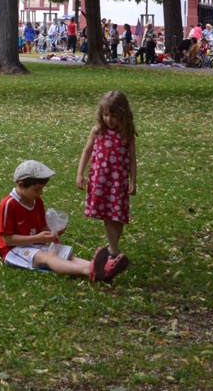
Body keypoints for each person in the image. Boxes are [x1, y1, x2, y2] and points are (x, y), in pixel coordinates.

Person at [0, 160, 103, 281]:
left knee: (65, 255)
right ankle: (88, 271)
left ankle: (100, 268)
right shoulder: (8, 205)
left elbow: (43, 228)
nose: (40, 193)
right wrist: (39, 238)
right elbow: (8, 240)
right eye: (36, 189)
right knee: (49, 256)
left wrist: (54, 233)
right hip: (13, 251)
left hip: (35, 245)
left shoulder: (37, 201)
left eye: (42, 189)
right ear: (21, 185)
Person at [77, 90, 137, 282]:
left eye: (113, 115)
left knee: (117, 216)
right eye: (105, 114)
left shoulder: (127, 135)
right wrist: (80, 173)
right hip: (101, 180)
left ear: (123, 114)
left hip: (118, 181)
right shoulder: (97, 131)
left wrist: (133, 181)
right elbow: (86, 152)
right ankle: (113, 252)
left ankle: (114, 251)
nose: (109, 119)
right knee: (107, 216)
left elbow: (132, 160)